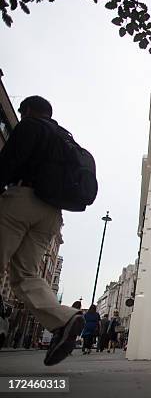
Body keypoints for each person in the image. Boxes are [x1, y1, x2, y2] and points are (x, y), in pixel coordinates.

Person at [0, 96, 84, 366]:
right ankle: (65, 318)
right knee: (25, 274)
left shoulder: (30, 127)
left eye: (23, 113)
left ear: (29, 111)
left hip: (21, 200)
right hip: (51, 213)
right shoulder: (65, 138)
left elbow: (8, 162)